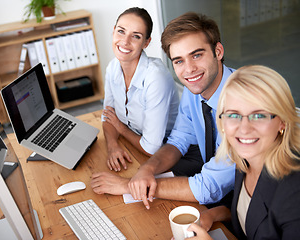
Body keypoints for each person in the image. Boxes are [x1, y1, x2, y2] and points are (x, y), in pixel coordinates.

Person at [91, 12, 235, 208]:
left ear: (218, 52)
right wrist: (147, 170)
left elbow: (210, 187)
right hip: (220, 196)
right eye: (179, 61)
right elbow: (180, 138)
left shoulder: (241, 106)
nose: (189, 69)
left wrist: (130, 185)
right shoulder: (195, 90)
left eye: (197, 55)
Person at [187, 65, 300, 239]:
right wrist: (212, 214)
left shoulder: (294, 190)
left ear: (282, 122)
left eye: (259, 115)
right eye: (233, 115)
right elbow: (252, 215)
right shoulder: (247, 157)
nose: (244, 129)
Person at [101, 7, 179, 172]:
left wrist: (120, 128)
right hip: (133, 145)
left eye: (136, 36)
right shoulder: (113, 68)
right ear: (113, 31)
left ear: (146, 43)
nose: (125, 41)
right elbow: (108, 117)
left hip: (168, 154)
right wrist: (113, 146)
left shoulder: (155, 78)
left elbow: (152, 148)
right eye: (121, 31)